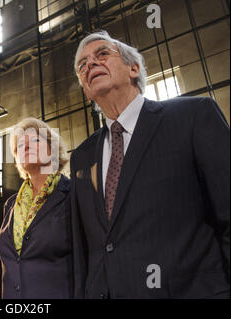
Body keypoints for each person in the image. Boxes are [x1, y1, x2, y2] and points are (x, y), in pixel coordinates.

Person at [70, 30, 230, 298]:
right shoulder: (82, 156)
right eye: (82, 65)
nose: (91, 65)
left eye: (102, 54)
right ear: (86, 90)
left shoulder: (193, 117)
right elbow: (86, 250)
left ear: (133, 68)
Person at [0, 117, 74, 298]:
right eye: (20, 146)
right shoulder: (11, 205)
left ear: (53, 149)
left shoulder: (73, 193)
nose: (27, 146)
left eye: (36, 140)